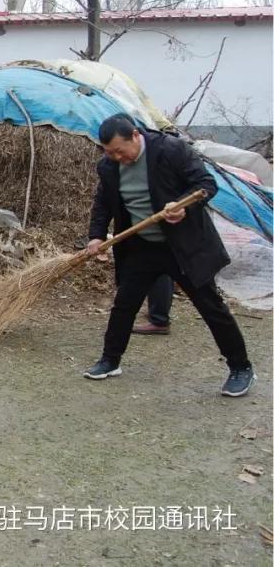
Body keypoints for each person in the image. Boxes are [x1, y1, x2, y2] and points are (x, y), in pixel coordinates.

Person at [83, 114, 254, 397]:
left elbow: (205, 184)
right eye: (109, 152)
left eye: (119, 150)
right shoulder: (109, 167)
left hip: (182, 246)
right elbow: (103, 203)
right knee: (124, 305)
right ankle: (110, 360)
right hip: (141, 247)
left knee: (211, 307)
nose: (115, 157)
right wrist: (96, 236)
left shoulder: (170, 150)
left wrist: (183, 206)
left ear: (135, 136)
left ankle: (241, 368)